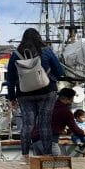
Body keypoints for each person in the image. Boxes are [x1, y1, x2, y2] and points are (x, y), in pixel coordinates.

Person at [6, 28, 65, 159]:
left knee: (28, 124)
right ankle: (48, 155)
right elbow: (60, 71)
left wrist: (11, 97)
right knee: (45, 123)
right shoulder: (47, 51)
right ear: (39, 37)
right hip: (47, 91)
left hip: (24, 93)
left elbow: (10, 78)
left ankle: (25, 155)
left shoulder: (16, 54)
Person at [30, 87, 84, 155]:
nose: (72, 102)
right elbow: (75, 129)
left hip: (35, 139)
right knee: (57, 163)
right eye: (71, 100)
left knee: (42, 164)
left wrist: (60, 130)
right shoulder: (65, 110)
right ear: (67, 99)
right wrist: (84, 132)